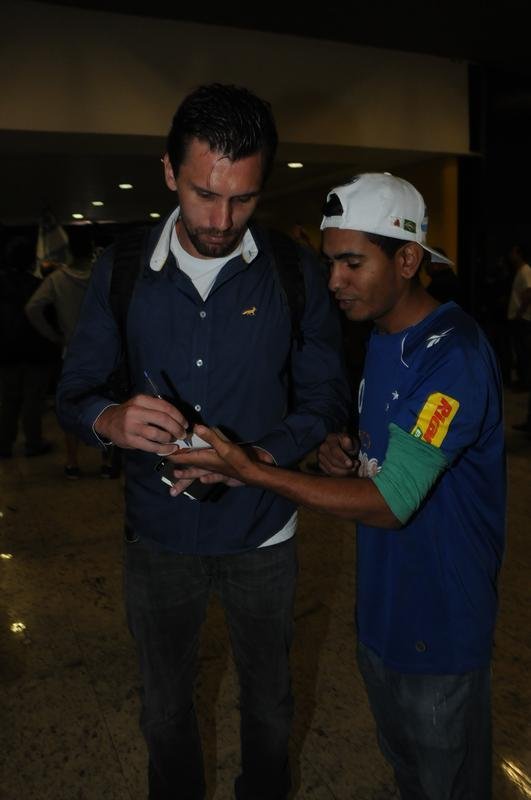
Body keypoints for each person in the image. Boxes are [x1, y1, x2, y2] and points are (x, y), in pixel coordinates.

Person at [56, 83, 350, 800]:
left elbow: (324, 399)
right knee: (162, 712)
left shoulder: (294, 271)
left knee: (271, 710)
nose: (221, 221)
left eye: (243, 199)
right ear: (168, 172)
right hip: (157, 537)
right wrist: (110, 420)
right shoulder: (120, 271)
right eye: (204, 194)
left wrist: (256, 461)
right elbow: (75, 394)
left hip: (263, 536)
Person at [172, 173, 507, 800]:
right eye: (330, 263)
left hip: (442, 624)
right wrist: (350, 458)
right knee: (410, 776)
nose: (333, 283)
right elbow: (395, 467)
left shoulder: (451, 354)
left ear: (407, 259)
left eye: (352, 263)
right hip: (385, 613)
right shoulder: (383, 340)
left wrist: (252, 469)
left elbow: (391, 504)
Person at [25, 226, 94, 478]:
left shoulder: (57, 279)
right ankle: (109, 463)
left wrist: (54, 335)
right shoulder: (101, 274)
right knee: (110, 402)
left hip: (71, 350)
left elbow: (33, 308)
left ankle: (73, 462)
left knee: (71, 404)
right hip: (105, 350)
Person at [0, 236, 60, 458]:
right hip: (36, 351)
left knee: (8, 400)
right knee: (32, 400)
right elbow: (48, 316)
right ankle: (33, 443)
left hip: (7, 352)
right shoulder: (38, 286)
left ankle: (4, 444)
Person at [506, 243, 531, 391]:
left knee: (523, 351)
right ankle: (523, 380)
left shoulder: (525, 270)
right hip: (519, 318)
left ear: (519, 254)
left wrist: (520, 313)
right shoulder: (521, 271)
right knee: (520, 350)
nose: (511, 256)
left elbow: (529, 293)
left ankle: (525, 382)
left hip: (523, 319)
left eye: (513, 252)